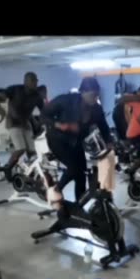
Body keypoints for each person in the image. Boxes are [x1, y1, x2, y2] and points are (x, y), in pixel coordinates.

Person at [41, 76, 113, 204]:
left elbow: (104, 127)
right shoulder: (66, 100)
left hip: (77, 142)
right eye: (92, 95)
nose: (95, 98)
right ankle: (55, 190)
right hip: (58, 140)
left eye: (97, 95)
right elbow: (44, 115)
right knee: (74, 168)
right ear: (83, 92)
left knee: (81, 175)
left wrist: (109, 142)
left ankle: (79, 205)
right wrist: (60, 125)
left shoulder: (96, 109)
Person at [0, 72, 45, 179]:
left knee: (32, 151)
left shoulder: (36, 96)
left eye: (36, 80)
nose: (35, 83)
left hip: (25, 123)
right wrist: (1, 112)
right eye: (32, 80)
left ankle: (32, 171)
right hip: (13, 123)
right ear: (25, 81)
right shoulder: (15, 89)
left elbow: (44, 111)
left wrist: (44, 122)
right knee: (20, 149)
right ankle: (8, 168)